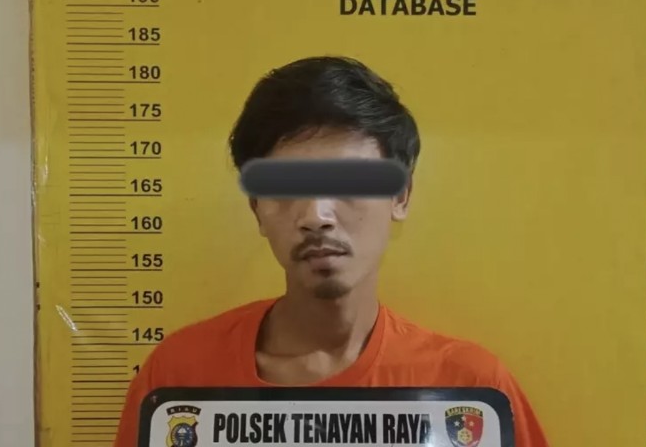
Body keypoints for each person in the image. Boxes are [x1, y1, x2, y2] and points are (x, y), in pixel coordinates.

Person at [113, 56, 549, 446]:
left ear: (400, 196)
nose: (316, 216)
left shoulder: (470, 393)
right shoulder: (178, 381)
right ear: (256, 209)